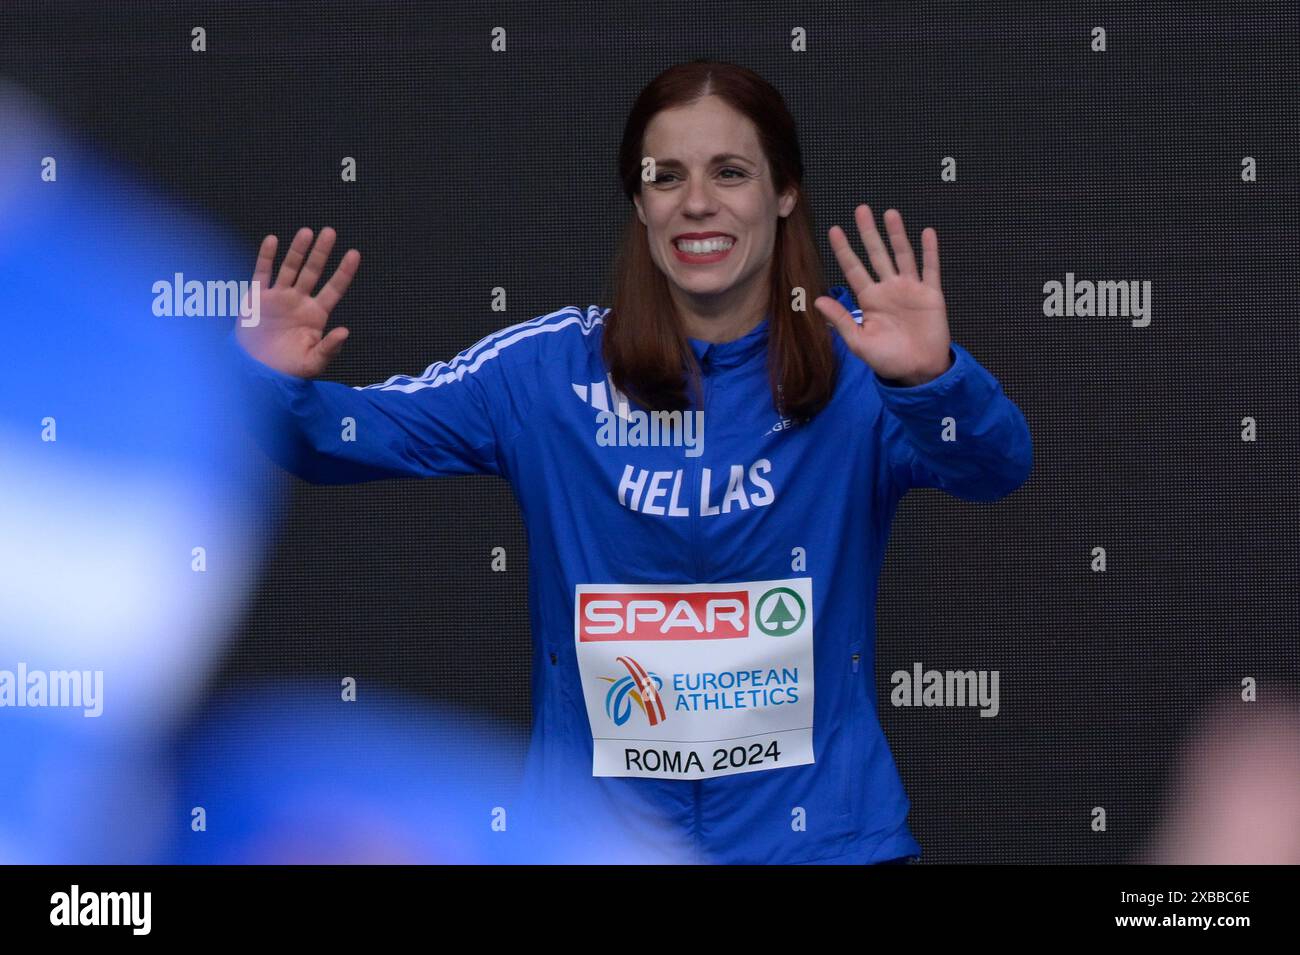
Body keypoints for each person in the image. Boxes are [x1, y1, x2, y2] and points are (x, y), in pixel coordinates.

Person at [228, 59, 1032, 864]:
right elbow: (341, 439)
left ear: (784, 191)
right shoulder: (545, 374)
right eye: (665, 175)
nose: (697, 202)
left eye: (730, 172)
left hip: (826, 847)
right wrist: (264, 383)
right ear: (639, 201)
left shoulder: (861, 367)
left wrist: (933, 382)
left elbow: (996, 466)